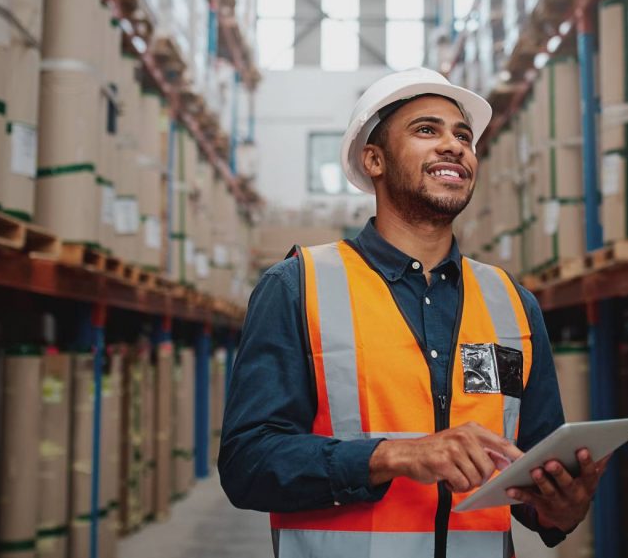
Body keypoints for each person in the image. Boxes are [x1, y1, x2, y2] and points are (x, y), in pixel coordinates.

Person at [219, 68, 608, 557]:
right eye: (428, 130)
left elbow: (532, 477)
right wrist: (394, 456)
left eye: (463, 135)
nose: (454, 146)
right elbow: (246, 464)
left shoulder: (512, 303)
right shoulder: (298, 287)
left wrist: (561, 507)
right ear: (374, 160)